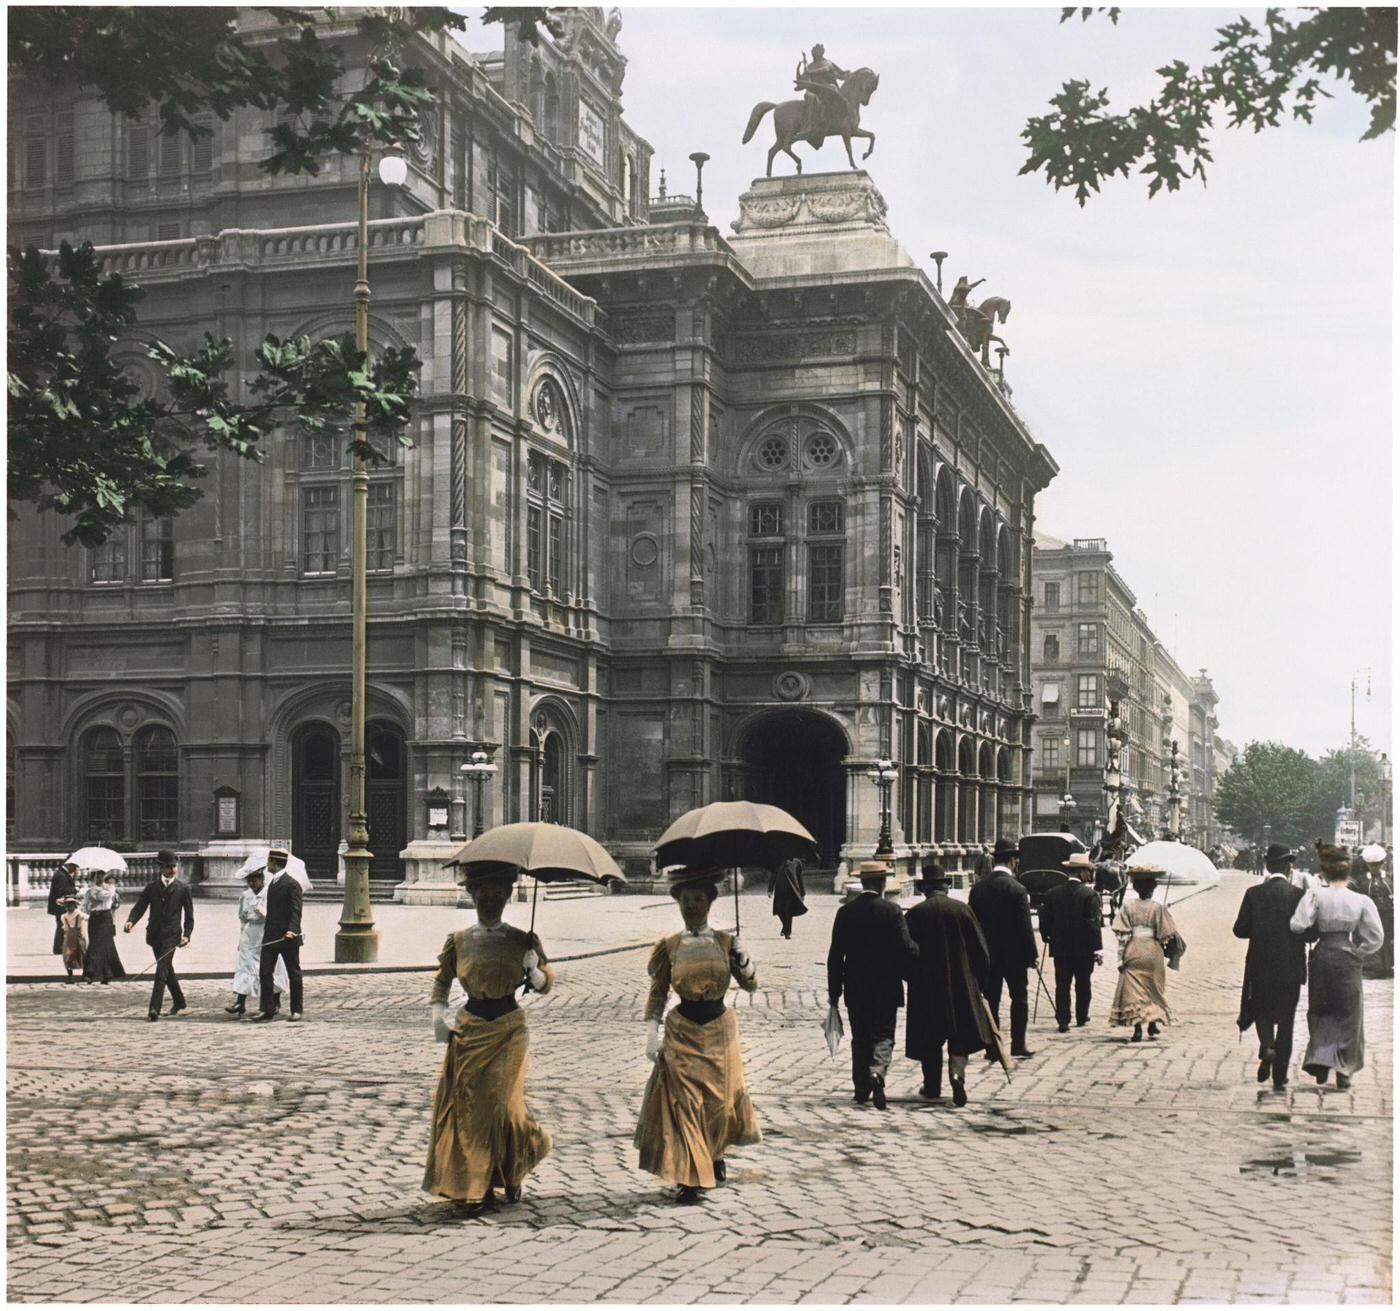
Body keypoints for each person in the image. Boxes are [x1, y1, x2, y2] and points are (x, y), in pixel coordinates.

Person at [424, 867, 554, 1215]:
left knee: (505, 1108)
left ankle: (516, 1163)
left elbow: (546, 985)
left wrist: (534, 970)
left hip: (510, 1030)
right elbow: (441, 982)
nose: (491, 899)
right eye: (484, 893)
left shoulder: (522, 940)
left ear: (508, 896)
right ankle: (475, 1185)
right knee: (471, 1111)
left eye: (498, 893)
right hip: (471, 1030)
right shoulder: (460, 940)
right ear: (473, 895)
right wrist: (439, 1018)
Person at [636, 867, 760, 1203]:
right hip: (682, 1033)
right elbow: (658, 992)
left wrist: (744, 961)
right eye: (685, 900)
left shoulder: (725, 942)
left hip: (720, 1031)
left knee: (717, 1105)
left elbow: (751, 984)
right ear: (677, 903)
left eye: (698, 899)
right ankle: (691, 1177)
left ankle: (714, 1152)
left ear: (709, 902)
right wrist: (651, 1033)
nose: (691, 906)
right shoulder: (670, 947)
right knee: (685, 1105)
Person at [1289, 840, 1384, 1089]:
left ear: (1323, 871)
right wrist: (1360, 952)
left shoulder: (1315, 895)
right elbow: (1376, 936)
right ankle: (1344, 1068)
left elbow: (1297, 924)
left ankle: (1322, 1060)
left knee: (1321, 1009)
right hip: (1348, 955)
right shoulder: (1360, 900)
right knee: (1349, 1013)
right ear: (1348, 870)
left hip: (1322, 954)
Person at [903, 859, 996, 1107]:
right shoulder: (963, 910)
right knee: (960, 1035)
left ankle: (932, 1086)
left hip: (926, 987)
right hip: (961, 984)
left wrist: (912, 978)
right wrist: (979, 984)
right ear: (945, 887)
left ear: (924, 889)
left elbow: (905, 952)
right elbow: (982, 953)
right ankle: (957, 1074)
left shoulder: (915, 914)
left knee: (930, 1039)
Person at [827, 860, 919, 1109]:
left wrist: (834, 992)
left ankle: (860, 1088)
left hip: (855, 988)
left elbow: (835, 955)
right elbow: (906, 948)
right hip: (886, 987)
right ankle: (877, 1070)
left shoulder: (845, 912)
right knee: (883, 1034)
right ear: (881, 883)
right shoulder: (892, 911)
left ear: (863, 882)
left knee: (860, 1037)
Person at [1233, 843, 1307, 1091]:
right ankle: (1280, 1076)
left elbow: (1240, 930)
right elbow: (1311, 933)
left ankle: (1267, 1046)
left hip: (1259, 966)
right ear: (1288, 867)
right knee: (1287, 1020)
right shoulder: (1298, 895)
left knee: (1262, 1010)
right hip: (1290, 968)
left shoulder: (1253, 893)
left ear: (1267, 866)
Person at [968, 838, 1037, 1058]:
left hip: (987, 955)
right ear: (1012, 861)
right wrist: (1031, 955)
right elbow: (1024, 926)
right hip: (1014, 956)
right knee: (1019, 999)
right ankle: (1018, 1045)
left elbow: (973, 923)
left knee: (991, 1000)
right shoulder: (1017, 889)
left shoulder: (978, 889)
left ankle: (992, 1047)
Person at [1109, 865, 1180, 1041]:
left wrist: (1120, 958)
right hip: (1152, 950)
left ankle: (1138, 1028)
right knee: (1154, 987)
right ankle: (1153, 1023)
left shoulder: (1127, 907)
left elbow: (1122, 936)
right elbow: (1165, 935)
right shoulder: (1158, 908)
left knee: (1134, 990)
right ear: (1153, 888)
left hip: (1133, 948)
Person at [124, 851, 194, 1021]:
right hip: (155, 935)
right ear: (161, 868)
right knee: (167, 969)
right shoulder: (152, 887)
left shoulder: (183, 888)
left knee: (161, 970)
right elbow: (140, 906)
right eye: (168, 867)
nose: (172, 870)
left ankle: (154, 1008)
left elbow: (189, 914)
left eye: (173, 866)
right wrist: (131, 921)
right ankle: (180, 1002)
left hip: (172, 935)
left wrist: (187, 934)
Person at [1040, 853, 1104, 1032]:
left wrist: (1047, 937)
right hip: (1084, 949)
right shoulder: (1090, 894)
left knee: (1062, 984)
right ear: (1081, 872)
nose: (1090, 875)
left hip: (1060, 948)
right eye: (1088, 871)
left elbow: (1045, 918)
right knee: (1083, 983)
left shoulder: (1053, 893)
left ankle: (1063, 1020)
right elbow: (1093, 923)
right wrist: (1097, 948)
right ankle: (1082, 1016)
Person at [252, 847, 303, 1023]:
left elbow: (296, 910)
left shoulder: (292, 884)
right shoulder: (272, 884)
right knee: (265, 971)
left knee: (293, 973)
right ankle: (268, 1008)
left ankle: (296, 1010)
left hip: (288, 936)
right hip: (271, 936)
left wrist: (293, 930)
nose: (267, 865)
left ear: (275, 863)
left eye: (268, 862)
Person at [228, 868, 287, 1018]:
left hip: (266, 933)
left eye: (255, 881)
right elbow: (242, 917)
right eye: (249, 881)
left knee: (270, 968)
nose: (252, 884)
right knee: (245, 966)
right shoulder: (245, 896)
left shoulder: (269, 893)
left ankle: (275, 1001)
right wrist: (240, 938)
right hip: (249, 934)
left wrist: (265, 914)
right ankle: (240, 1002)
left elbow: (279, 916)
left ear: (262, 880)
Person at [793, 43, 848, 138]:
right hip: (814, 91)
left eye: (816, 50)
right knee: (808, 95)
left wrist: (848, 74)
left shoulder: (828, 63)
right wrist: (798, 69)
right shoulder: (810, 66)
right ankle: (808, 126)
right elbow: (800, 81)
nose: (813, 52)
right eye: (813, 51)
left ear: (821, 52)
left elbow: (832, 70)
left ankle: (839, 115)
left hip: (826, 88)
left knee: (832, 88)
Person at [80, 870, 125, 984]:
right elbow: (93, 901)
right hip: (95, 918)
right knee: (94, 944)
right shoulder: (93, 890)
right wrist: (112, 888)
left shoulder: (108, 889)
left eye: (101, 875)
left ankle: (107, 974)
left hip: (106, 917)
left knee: (107, 945)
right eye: (97, 876)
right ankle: (90, 973)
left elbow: (115, 903)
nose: (99, 878)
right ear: (93, 878)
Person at [1358, 843, 1393, 979]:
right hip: (1370, 914)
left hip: (1388, 913)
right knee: (1372, 937)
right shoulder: (1362, 880)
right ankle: (1372, 966)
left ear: (1382, 863)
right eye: (1372, 865)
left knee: (1388, 938)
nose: (1374, 867)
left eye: (1377, 864)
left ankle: (1388, 965)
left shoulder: (1389, 878)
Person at [771, 856, 807, 939]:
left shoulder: (796, 862)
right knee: (779, 911)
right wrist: (770, 889)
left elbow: (799, 877)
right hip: (780, 890)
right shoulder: (778, 861)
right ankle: (785, 926)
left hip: (792, 891)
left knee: (788, 911)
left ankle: (787, 932)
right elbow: (773, 875)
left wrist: (802, 892)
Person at [47, 860, 78, 957]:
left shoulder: (62, 873)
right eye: (74, 867)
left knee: (62, 925)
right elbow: (62, 891)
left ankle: (59, 947)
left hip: (59, 905)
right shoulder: (61, 875)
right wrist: (74, 889)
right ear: (70, 865)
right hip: (60, 905)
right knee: (61, 926)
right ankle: (58, 948)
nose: (75, 869)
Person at [59, 896, 86, 980]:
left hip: (78, 936)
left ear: (74, 905)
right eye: (66, 905)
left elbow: (85, 920)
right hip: (69, 937)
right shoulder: (64, 916)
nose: (68, 907)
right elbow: (65, 927)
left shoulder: (79, 914)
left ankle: (85, 973)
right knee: (67, 955)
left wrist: (82, 934)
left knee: (81, 954)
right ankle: (70, 974)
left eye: (71, 905)